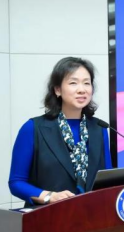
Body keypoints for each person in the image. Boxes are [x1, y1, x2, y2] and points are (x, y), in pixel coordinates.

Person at [9, 57, 112, 206]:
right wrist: (48, 196)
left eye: (86, 83)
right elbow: (16, 182)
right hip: (49, 215)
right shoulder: (33, 128)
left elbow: (107, 181)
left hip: (91, 215)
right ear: (57, 89)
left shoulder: (99, 128)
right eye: (73, 83)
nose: (82, 89)